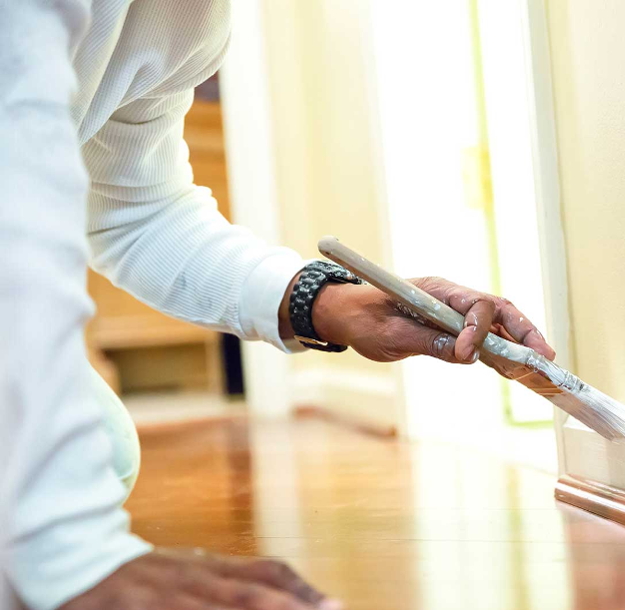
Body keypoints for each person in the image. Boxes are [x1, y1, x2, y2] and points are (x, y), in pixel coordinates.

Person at [0, 2, 555, 609]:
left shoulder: (190, 21)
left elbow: (133, 209)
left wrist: (330, 301)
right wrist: (72, 555)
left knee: (98, 452)